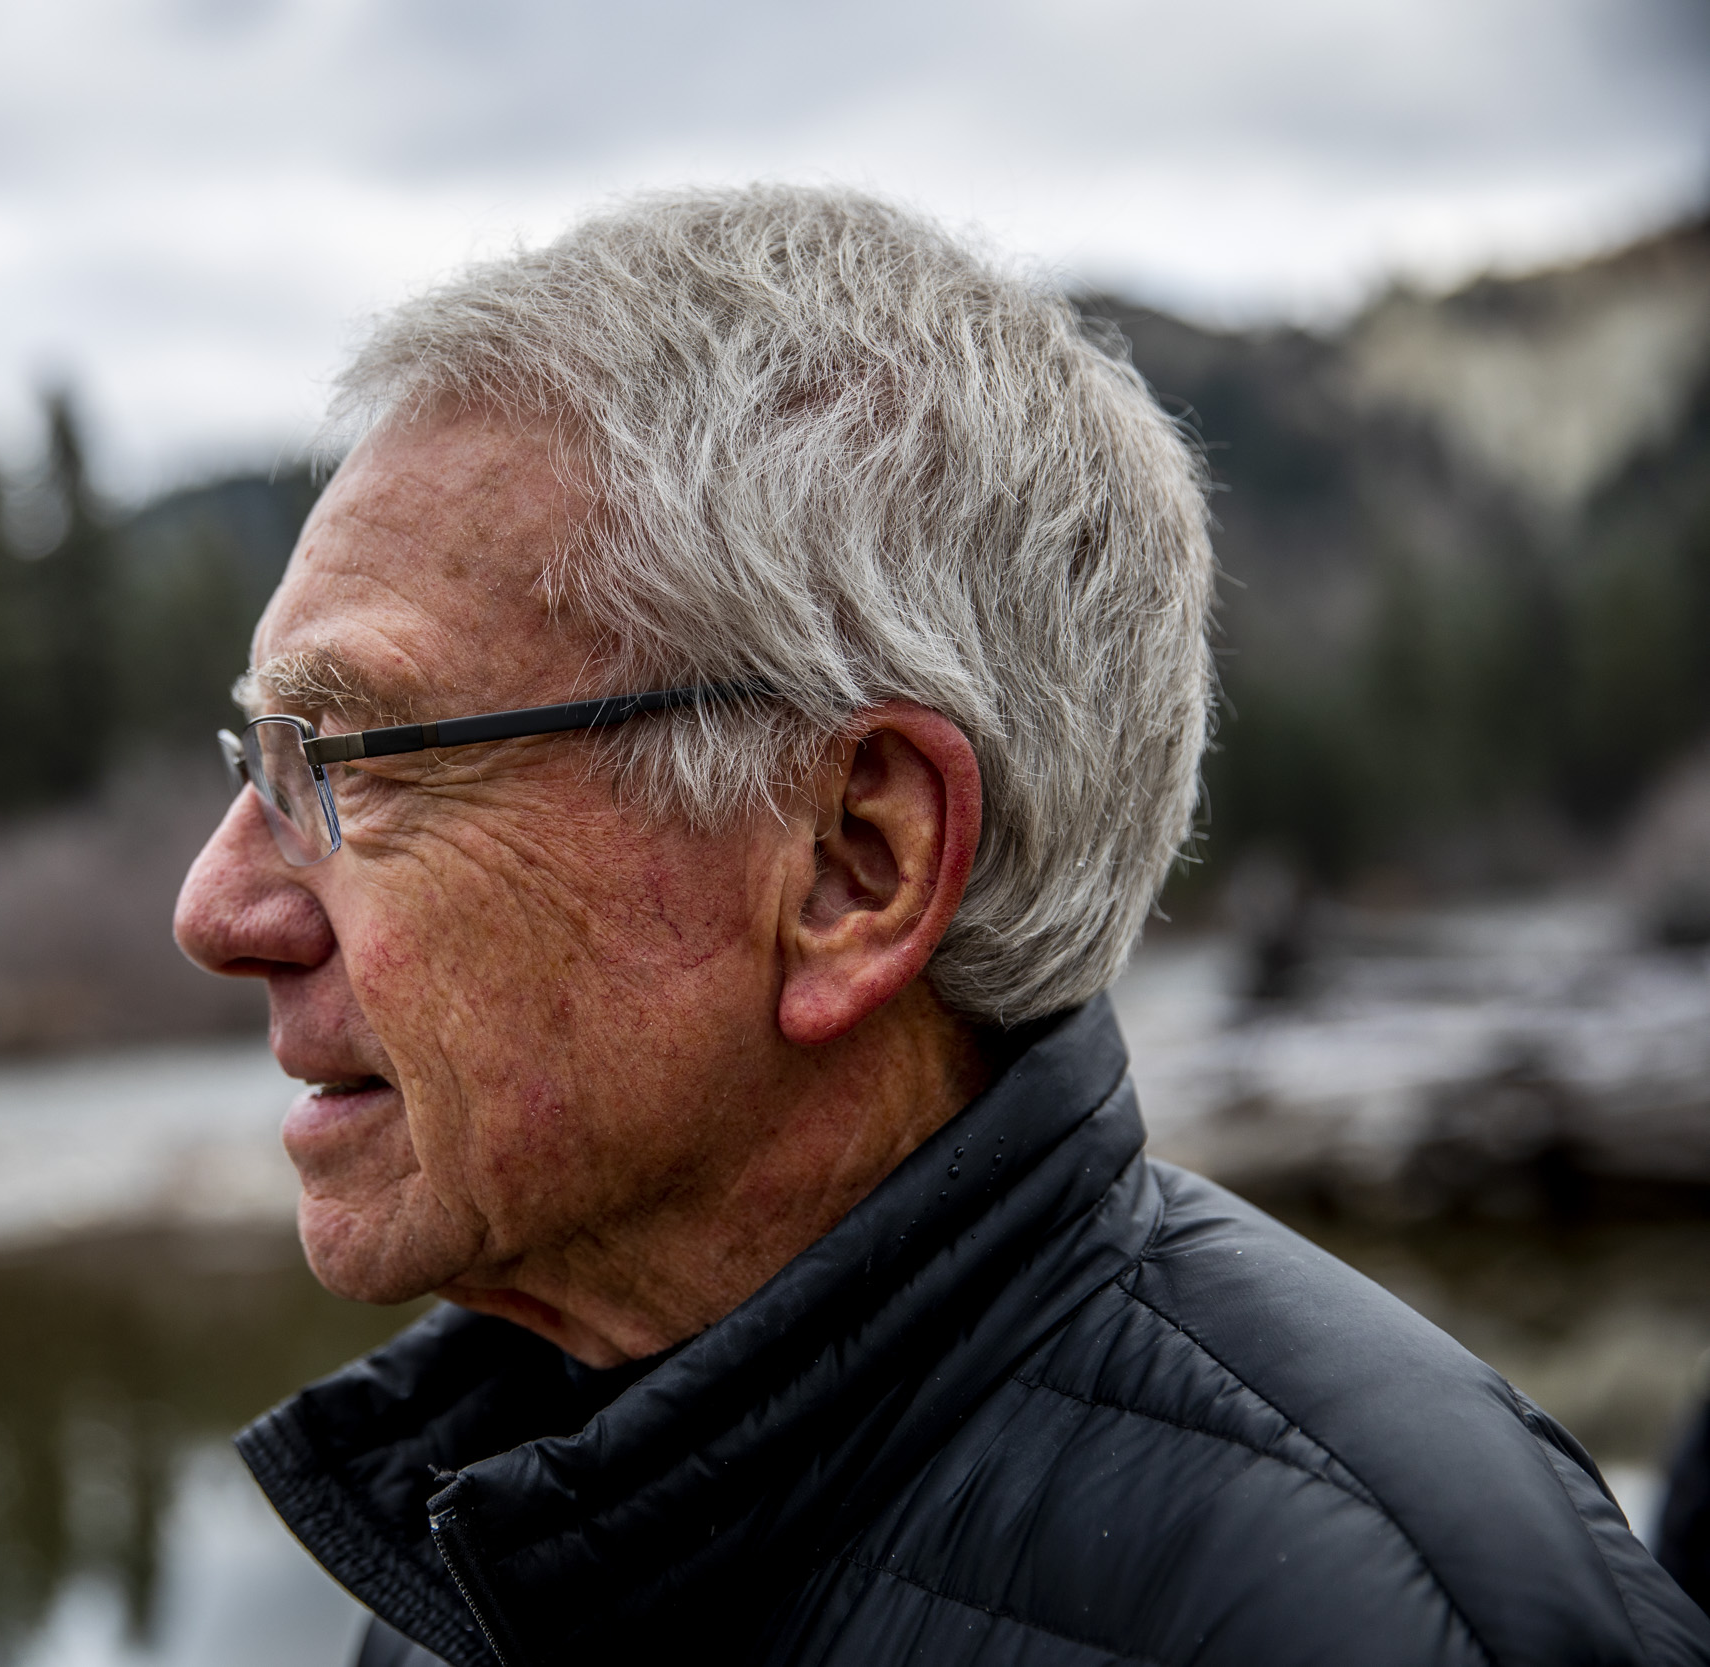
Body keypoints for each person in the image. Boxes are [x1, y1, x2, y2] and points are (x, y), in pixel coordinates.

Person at [172, 187, 1708, 1667]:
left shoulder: (1395, 1623)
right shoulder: (493, 1530)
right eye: (262, 764)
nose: (217, 909)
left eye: (349, 767)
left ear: (855, 865)